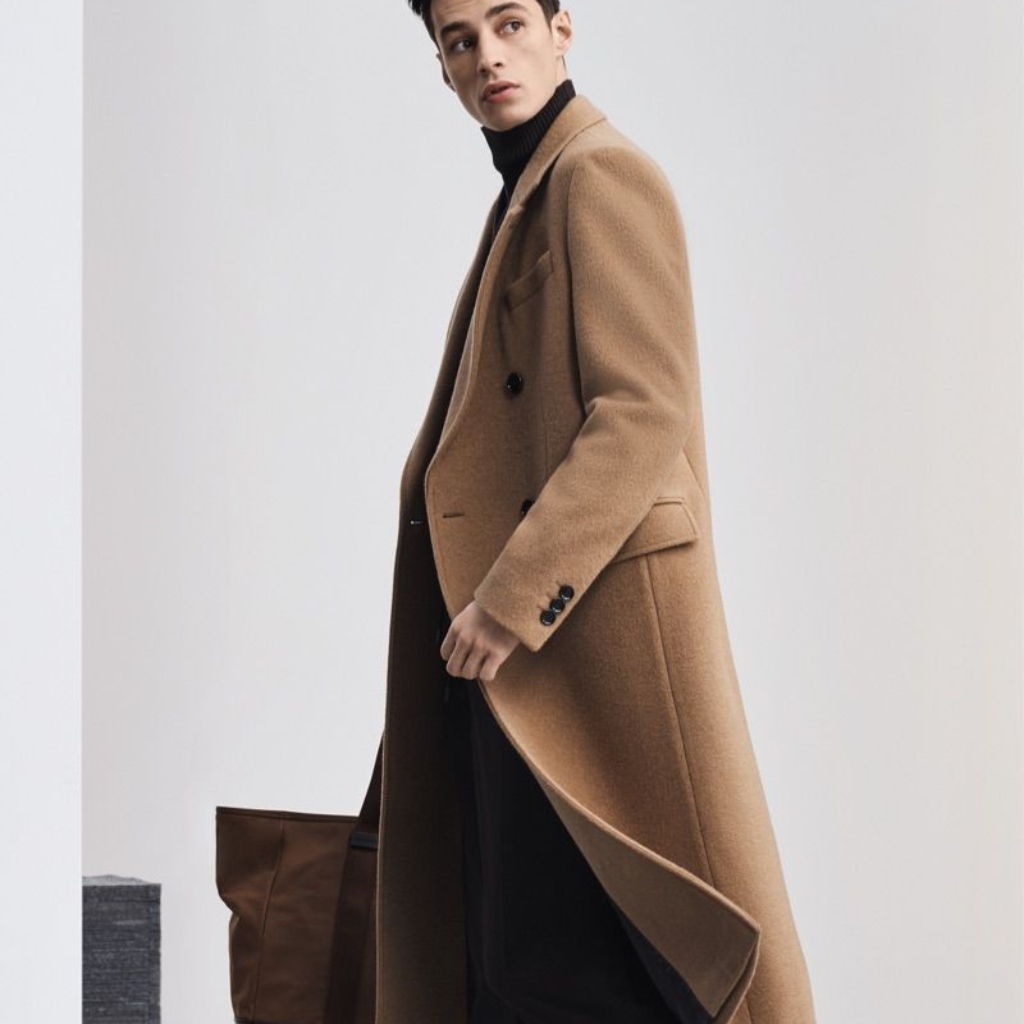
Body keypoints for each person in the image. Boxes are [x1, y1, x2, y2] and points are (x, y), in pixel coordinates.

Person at [373, 2, 818, 1021]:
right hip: (523, 654)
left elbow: (643, 411)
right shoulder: (530, 189)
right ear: (440, 66)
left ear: (562, 29)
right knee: (524, 958)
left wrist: (510, 598)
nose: (489, 57)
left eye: (509, 24)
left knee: (608, 962)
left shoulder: (600, 173)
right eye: (460, 40)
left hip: (580, 643)